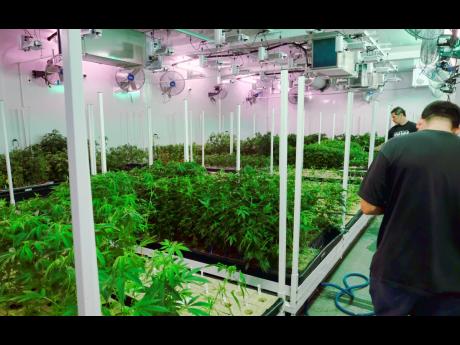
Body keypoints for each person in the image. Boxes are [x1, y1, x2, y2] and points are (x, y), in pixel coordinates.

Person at [358, 100, 460, 316]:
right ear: (457, 128)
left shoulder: (394, 146)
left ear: (421, 121)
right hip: (451, 280)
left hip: (396, 271)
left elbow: (367, 206)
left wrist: (398, 202)